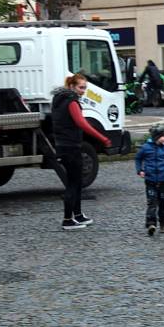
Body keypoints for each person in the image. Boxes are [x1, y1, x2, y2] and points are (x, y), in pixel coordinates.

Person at [51, 73, 112, 231]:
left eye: (85, 87)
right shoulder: (71, 101)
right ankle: (67, 220)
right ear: (72, 86)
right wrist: (102, 138)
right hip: (70, 146)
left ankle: (77, 215)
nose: (83, 90)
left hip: (63, 145)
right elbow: (81, 123)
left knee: (76, 182)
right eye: (81, 87)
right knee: (73, 183)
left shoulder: (60, 99)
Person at [135, 125, 164, 236]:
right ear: (157, 137)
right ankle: (151, 223)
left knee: (163, 202)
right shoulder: (146, 148)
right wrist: (140, 170)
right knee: (151, 202)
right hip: (150, 179)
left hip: (163, 180)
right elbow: (138, 158)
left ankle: (163, 222)